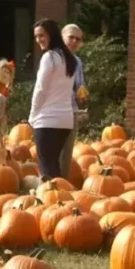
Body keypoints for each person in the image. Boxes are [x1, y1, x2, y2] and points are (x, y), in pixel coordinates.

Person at [28, 18, 76, 181]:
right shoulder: (69, 58)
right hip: (65, 121)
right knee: (53, 165)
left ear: (52, 35)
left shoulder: (49, 57)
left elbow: (41, 89)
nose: (38, 40)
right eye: (36, 36)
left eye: (42, 35)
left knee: (47, 170)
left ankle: (53, 203)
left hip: (47, 119)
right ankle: (60, 202)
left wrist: (32, 115)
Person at [59, 24, 87, 180]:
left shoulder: (77, 62)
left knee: (67, 151)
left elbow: (80, 84)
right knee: (53, 150)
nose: (75, 41)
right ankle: (48, 184)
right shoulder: (54, 58)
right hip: (54, 110)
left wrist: (82, 94)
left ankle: (61, 184)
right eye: (71, 37)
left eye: (78, 39)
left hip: (71, 110)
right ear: (63, 38)